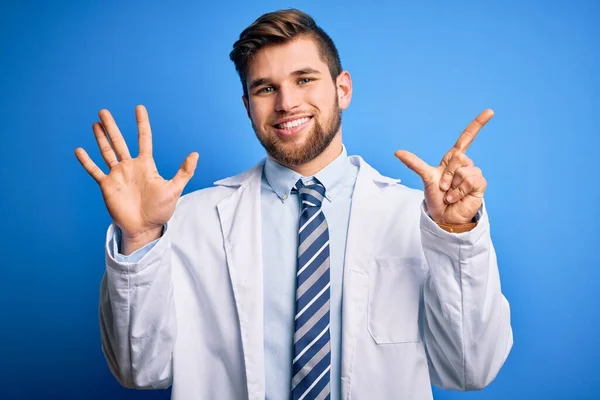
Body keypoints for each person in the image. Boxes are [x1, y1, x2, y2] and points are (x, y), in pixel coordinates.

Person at [75, 8, 513, 400]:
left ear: (342, 89)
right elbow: (139, 372)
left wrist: (455, 236)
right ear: (248, 106)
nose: (287, 103)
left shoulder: (415, 217)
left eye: (305, 79)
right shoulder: (189, 221)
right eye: (266, 88)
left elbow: (469, 370)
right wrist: (139, 238)